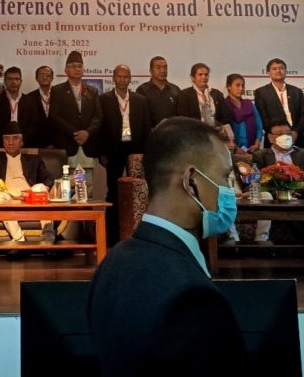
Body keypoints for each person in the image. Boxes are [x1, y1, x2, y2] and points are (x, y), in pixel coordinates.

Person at [88, 116, 246, 375]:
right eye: (226, 177)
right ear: (191, 181)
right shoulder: (191, 297)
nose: (232, 191)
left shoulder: (112, 263)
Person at [99, 64, 151, 244]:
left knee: (136, 192)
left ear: (130, 78)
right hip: (113, 150)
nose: (122, 80)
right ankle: (111, 236)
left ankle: (136, 233)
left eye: (126, 76)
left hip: (135, 151)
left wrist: (144, 153)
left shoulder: (140, 100)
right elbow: (100, 128)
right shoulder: (104, 99)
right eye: (119, 76)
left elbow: (146, 127)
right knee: (113, 192)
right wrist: (102, 152)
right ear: (113, 78)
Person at [0, 122, 55, 245]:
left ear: (22, 142)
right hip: (6, 197)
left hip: (30, 197)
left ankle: (49, 238)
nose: (10, 143)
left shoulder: (34, 160)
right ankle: (19, 239)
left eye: (15, 138)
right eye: (7, 139)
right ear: (3, 142)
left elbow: (48, 179)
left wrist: (46, 190)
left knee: (41, 188)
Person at [49, 50, 101, 195]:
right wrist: (76, 133)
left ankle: (87, 217)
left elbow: (98, 117)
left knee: (86, 187)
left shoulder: (92, 91)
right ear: (66, 70)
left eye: (80, 66)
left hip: (87, 147)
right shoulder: (58, 90)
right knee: (67, 188)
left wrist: (87, 133)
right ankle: (69, 218)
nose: (77, 69)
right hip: (68, 145)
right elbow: (55, 116)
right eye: (73, 65)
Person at [253, 123, 304, 199]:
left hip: (302, 192)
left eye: (288, 134)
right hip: (275, 194)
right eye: (279, 134)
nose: (285, 137)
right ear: (270, 138)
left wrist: (302, 184)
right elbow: (257, 180)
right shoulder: (260, 156)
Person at [252, 57, 304, 146]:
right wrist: (275, 133)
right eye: (274, 69)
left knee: (299, 159)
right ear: (268, 73)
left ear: (286, 71)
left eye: (281, 68)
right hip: (275, 138)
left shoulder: (296, 91)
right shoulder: (261, 92)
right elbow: (262, 117)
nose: (278, 71)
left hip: (296, 137)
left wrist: (296, 131)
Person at [176, 62, 235, 147]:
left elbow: (225, 119)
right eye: (200, 74)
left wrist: (230, 138)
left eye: (206, 74)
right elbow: (182, 121)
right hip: (194, 140)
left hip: (215, 139)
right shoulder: (185, 95)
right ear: (193, 77)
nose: (204, 77)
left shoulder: (217, 94)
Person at [136, 55, 180, 128]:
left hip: (173, 134)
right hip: (151, 134)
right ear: (151, 71)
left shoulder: (175, 89)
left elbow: (180, 115)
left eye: (165, 67)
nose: (162, 70)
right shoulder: (142, 90)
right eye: (158, 67)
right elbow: (140, 116)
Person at [224, 73, 264, 154]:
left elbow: (259, 126)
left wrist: (256, 144)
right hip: (233, 150)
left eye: (243, 85)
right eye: (237, 85)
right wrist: (236, 148)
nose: (241, 88)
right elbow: (224, 129)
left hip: (253, 148)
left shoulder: (249, 104)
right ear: (229, 86)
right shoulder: (224, 105)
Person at [17, 64, 53, 148]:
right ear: (36, 78)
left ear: (52, 78)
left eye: (48, 75)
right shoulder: (28, 98)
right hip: (35, 144)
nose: (45, 77)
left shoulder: (59, 95)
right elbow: (28, 124)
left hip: (58, 144)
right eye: (41, 75)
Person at [0, 66, 24, 149]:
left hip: (24, 145)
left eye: (16, 79)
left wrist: (21, 141)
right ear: (4, 81)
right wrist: (6, 141)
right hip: (1, 145)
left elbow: (33, 125)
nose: (13, 82)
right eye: (10, 79)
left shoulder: (29, 101)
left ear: (21, 81)